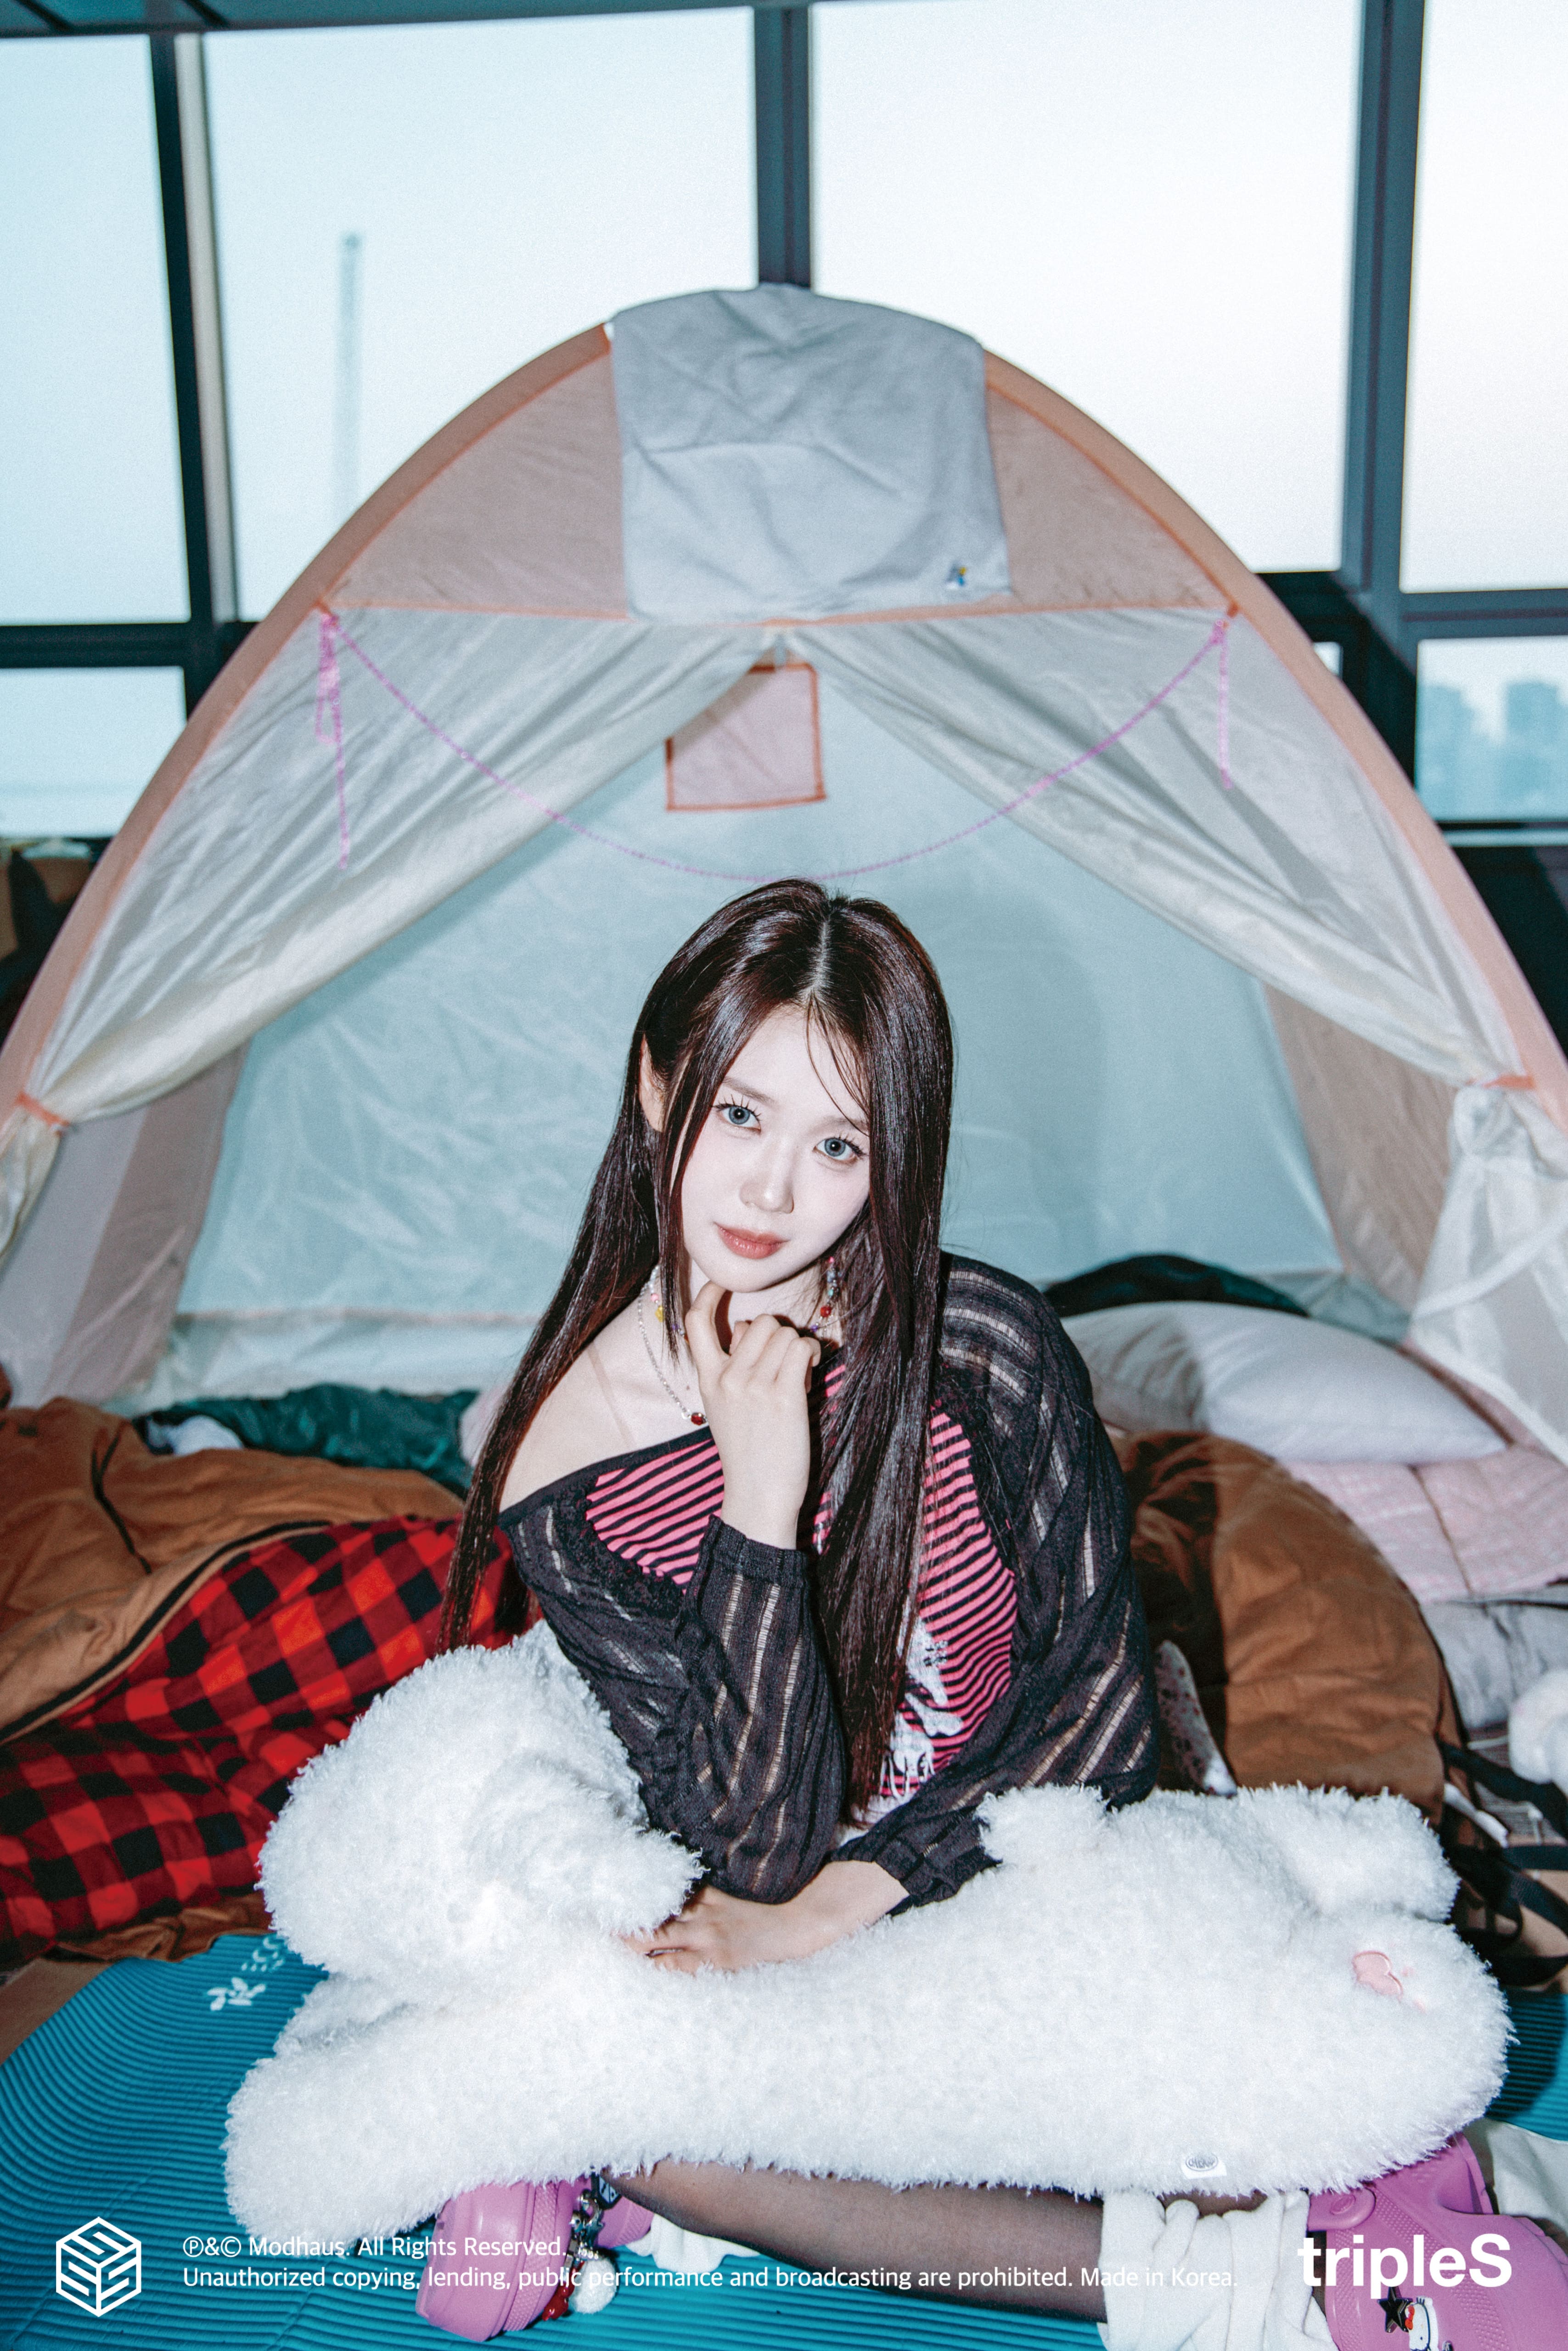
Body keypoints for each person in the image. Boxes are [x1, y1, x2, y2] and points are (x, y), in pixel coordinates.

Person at [420, 880, 1568, 2351]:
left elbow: (1097, 1727)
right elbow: (751, 1847)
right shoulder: (566, 1473)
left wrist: (844, 1902)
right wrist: (759, 1505)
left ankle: (1352, 2200)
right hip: (790, 1909)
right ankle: (1272, 2283)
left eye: (839, 1145)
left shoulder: (988, 1348)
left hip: (1045, 1852)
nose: (772, 1193)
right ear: (658, 1091)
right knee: (655, 2123)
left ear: (896, 1156)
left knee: (1266, 2065)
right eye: (740, 1116)